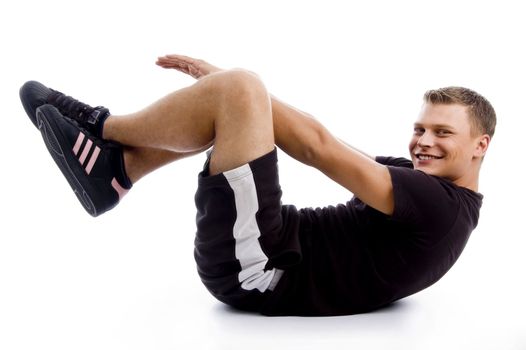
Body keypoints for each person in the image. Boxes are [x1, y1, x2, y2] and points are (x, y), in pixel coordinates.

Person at [19, 54, 496, 316]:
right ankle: (119, 172)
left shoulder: (437, 205)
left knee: (241, 90)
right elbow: (324, 136)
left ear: (480, 145)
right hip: (268, 244)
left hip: (262, 269)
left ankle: (99, 127)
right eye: (420, 129)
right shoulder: (428, 190)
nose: (423, 142)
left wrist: (236, 90)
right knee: (240, 94)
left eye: (442, 133)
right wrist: (233, 95)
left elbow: (318, 149)